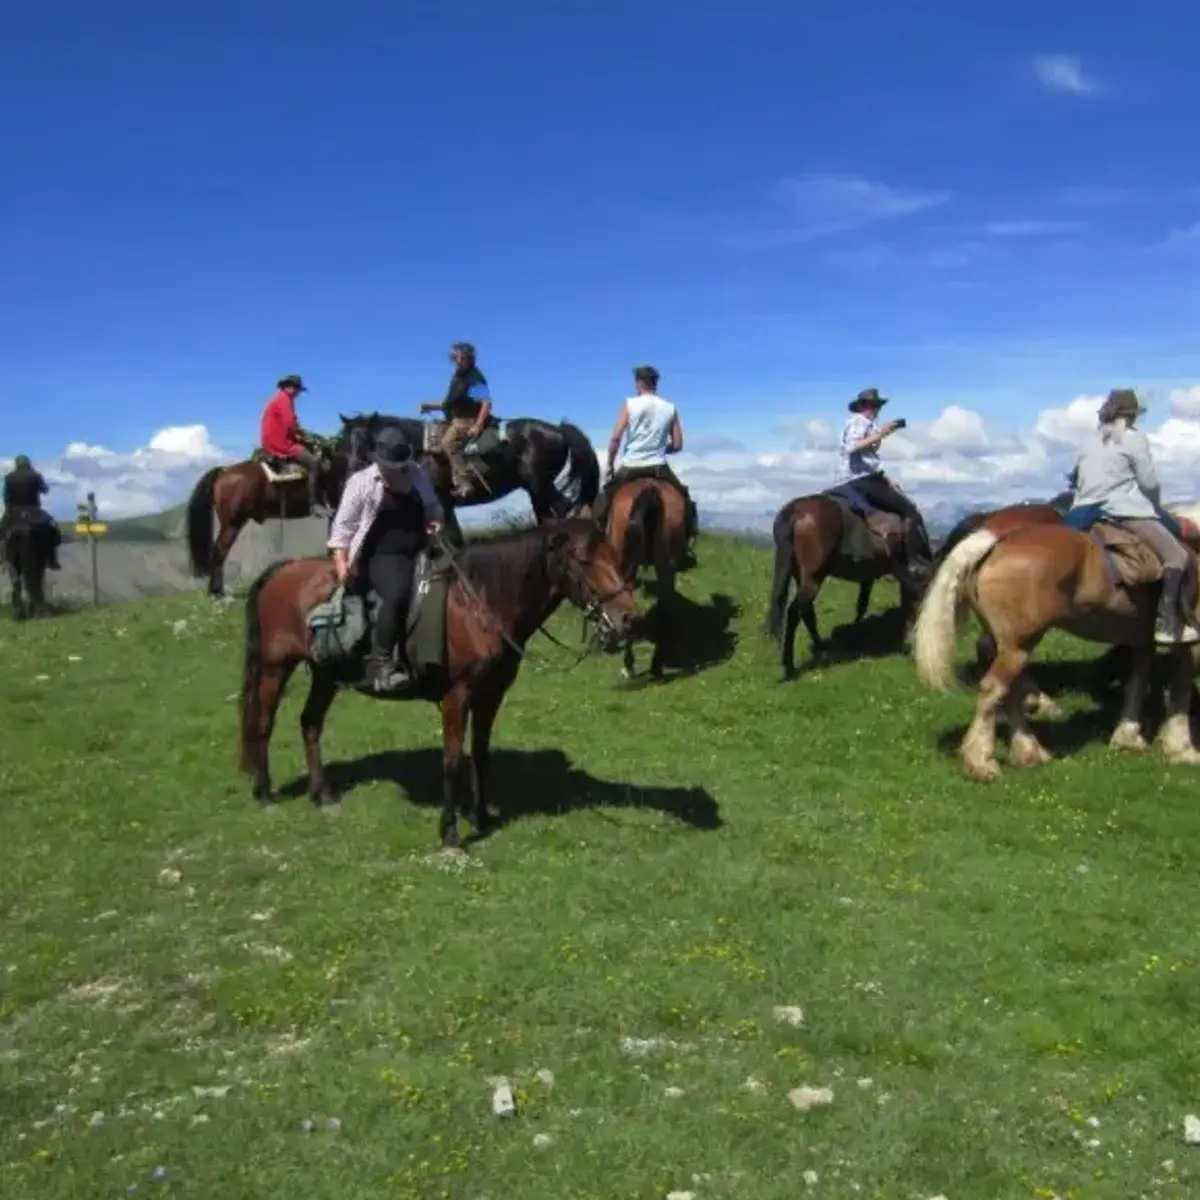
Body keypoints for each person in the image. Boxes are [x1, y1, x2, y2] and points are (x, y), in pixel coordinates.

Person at [1068, 387, 1199, 645]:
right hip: (1123, 509)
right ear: (1133, 414)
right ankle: (1166, 622)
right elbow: (1148, 482)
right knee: (1178, 556)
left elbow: (1080, 481)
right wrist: (1156, 507)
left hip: (1081, 511)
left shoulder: (1090, 441)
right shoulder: (1133, 438)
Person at [327, 426, 445, 692]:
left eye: (397, 465)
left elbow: (433, 507)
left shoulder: (416, 474)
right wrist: (341, 563)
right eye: (387, 465)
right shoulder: (361, 482)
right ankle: (381, 664)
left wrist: (436, 522)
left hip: (422, 549)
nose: (392, 470)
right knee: (397, 594)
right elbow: (343, 527)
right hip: (382, 554)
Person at [592, 364, 699, 561]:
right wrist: (661, 449)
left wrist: (610, 463)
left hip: (631, 465)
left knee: (604, 500)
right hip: (658, 466)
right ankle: (685, 548)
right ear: (655, 384)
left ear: (639, 383)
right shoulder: (670, 408)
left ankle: (597, 544)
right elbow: (677, 444)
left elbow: (615, 437)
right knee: (684, 498)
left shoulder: (630, 404)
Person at [836, 386, 933, 583]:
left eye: (876, 406)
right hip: (862, 480)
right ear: (862, 406)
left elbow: (867, 458)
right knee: (911, 511)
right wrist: (882, 433)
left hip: (862, 477)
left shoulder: (863, 423)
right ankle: (915, 562)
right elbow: (853, 447)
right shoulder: (859, 421)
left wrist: (885, 477)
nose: (875, 409)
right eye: (871, 405)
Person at [419, 342, 492, 498]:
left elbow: (486, 402)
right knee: (433, 439)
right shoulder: (458, 377)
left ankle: (464, 483)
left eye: (459, 358)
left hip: (468, 420)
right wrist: (430, 406)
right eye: (453, 358)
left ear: (468, 358)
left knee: (448, 442)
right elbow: (451, 404)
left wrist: (478, 425)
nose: (456, 361)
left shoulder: (474, 377)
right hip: (455, 419)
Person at [260, 374, 325, 514]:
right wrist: (303, 436)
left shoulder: (277, 399)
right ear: (288, 387)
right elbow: (290, 424)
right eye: (296, 388)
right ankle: (313, 503)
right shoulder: (284, 400)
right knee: (313, 463)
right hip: (281, 443)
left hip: (271, 441)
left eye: (298, 389)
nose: (297, 392)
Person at [2, 454, 60, 569]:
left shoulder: (8, 477)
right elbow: (45, 490)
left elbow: (5, 495)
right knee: (52, 528)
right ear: (28, 464)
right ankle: (52, 560)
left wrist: (8, 508)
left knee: (2, 532)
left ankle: (3, 558)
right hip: (34, 510)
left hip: (13, 511)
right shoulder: (36, 476)